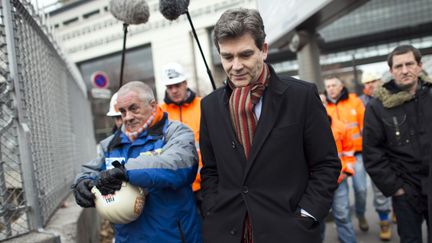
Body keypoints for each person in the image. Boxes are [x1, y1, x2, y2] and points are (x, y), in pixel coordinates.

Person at [200, 8, 341, 243]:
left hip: (289, 233)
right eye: (227, 57)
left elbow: (326, 164)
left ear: (263, 50)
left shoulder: (301, 96)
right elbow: (211, 170)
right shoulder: (210, 105)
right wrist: (212, 209)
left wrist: (307, 215)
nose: (235, 66)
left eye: (245, 55)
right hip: (229, 232)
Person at [72, 81, 201, 243]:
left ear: (153, 106)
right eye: (122, 112)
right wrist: (82, 183)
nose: (128, 117)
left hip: (173, 236)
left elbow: (179, 164)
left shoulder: (175, 132)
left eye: (134, 108)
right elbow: (92, 170)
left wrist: (126, 172)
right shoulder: (111, 144)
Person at [363, 45, 432, 243]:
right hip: (405, 191)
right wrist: (396, 188)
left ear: (419, 66)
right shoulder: (377, 106)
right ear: (391, 71)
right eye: (398, 66)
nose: (404, 70)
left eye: (409, 64)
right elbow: (372, 152)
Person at [324, 75, 369, 232]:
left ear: (341, 86)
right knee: (341, 195)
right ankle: (344, 222)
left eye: (333, 85)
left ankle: (361, 214)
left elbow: (365, 126)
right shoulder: (324, 107)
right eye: (328, 86)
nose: (330, 88)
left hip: (356, 153)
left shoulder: (354, 101)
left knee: (361, 189)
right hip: (335, 160)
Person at [159, 62, 203, 211]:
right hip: (174, 187)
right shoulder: (159, 113)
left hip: (204, 185)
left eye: (177, 85)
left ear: (185, 83)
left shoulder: (203, 105)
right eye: (170, 87)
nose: (174, 90)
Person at [359, 71, 393, 241]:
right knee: (379, 188)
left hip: (391, 149)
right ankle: (384, 221)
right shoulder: (360, 103)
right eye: (367, 82)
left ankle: (396, 211)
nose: (371, 84)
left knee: (397, 182)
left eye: (374, 81)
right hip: (372, 151)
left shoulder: (389, 97)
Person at [320, 95, 357, 243]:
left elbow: (349, 152)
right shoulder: (303, 128)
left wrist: (346, 171)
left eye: (323, 102)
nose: (320, 105)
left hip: (339, 180)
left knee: (342, 215)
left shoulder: (340, 126)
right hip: (315, 185)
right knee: (316, 220)